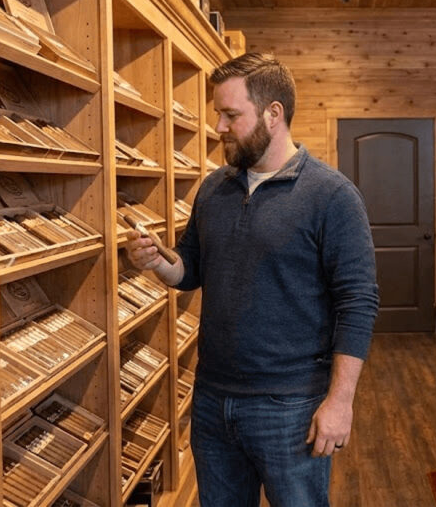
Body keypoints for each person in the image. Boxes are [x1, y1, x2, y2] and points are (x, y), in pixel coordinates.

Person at [126, 52, 379, 507]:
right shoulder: (214, 188)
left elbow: (358, 303)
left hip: (291, 406)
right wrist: (158, 262)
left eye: (230, 115)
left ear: (273, 114)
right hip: (212, 398)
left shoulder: (332, 195)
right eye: (217, 114)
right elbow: (190, 270)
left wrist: (340, 402)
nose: (218, 127)